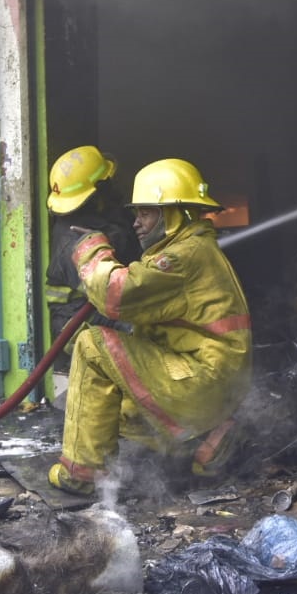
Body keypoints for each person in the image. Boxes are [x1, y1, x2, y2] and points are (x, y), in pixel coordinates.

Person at [48, 158, 252, 496]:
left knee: (91, 344)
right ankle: (209, 439)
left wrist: (89, 249)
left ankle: (81, 475)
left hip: (201, 380)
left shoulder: (182, 256)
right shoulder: (190, 249)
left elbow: (115, 295)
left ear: (174, 213)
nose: (136, 223)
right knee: (125, 411)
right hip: (210, 380)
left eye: (145, 213)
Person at [45, 146, 142, 372]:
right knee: (150, 332)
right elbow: (111, 291)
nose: (114, 184)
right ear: (98, 191)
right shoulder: (74, 238)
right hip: (77, 325)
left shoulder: (103, 214)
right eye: (108, 181)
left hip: (98, 311)